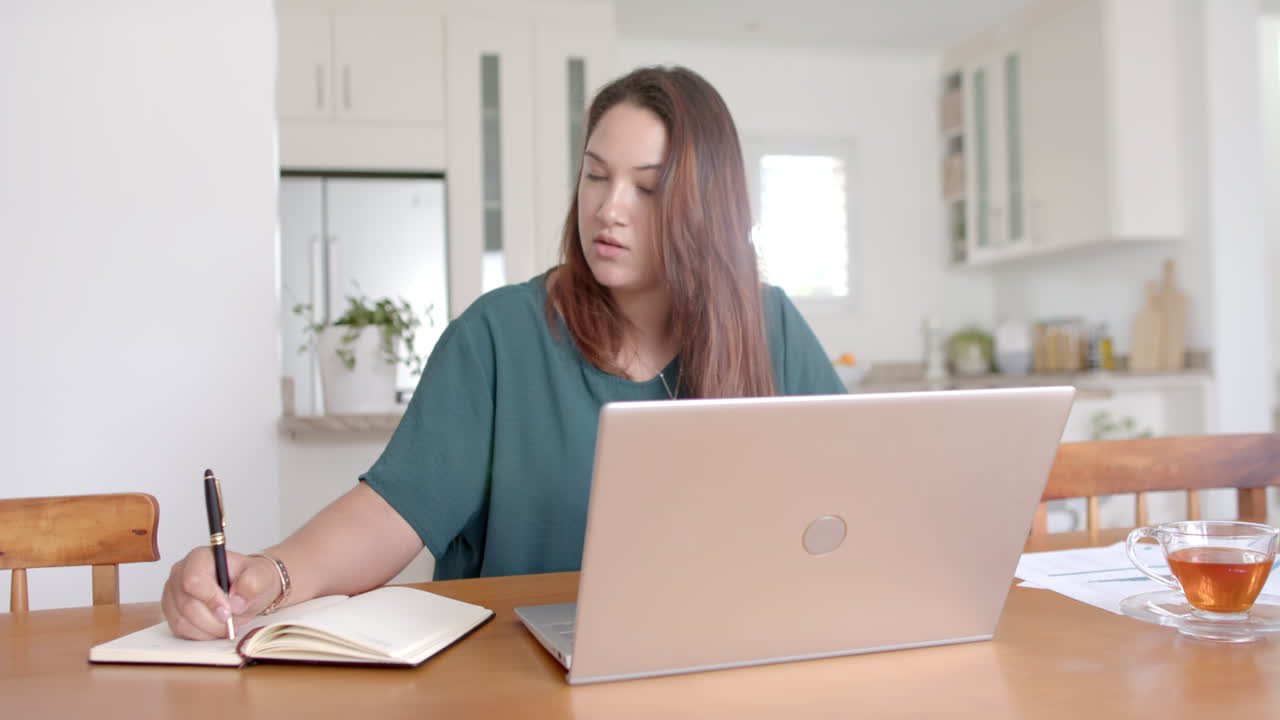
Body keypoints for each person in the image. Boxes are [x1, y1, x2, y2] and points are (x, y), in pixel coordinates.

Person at [162, 65, 845, 640]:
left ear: (707, 205)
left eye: (647, 187)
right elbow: (387, 514)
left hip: (710, 664)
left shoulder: (769, 325)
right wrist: (271, 575)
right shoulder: (498, 336)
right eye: (596, 175)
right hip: (508, 681)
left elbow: (853, 502)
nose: (609, 209)